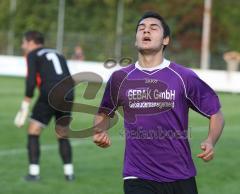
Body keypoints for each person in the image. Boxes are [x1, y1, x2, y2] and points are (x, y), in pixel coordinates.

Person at [93, 11, 224, 194]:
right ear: (136, 39)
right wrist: (100, 130)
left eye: (153, 28)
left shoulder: (184, 77)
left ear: (165, 40)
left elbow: (215, 112)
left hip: (180, 175)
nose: (146, 31)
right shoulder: (120, 78)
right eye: (141, 28)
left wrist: (211, 141)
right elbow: (103, 113)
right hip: (137, 175)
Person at [14, 30, 75, 181]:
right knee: (62, 133)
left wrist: (26, 102)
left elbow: (31, 80)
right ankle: (69, 174)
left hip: (50, 92)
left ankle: (33, 174)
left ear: (31, 42)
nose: (23, 46)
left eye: (24, 43)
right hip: (68, 92)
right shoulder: (57, 53)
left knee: (33, 131)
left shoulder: (33, 54)